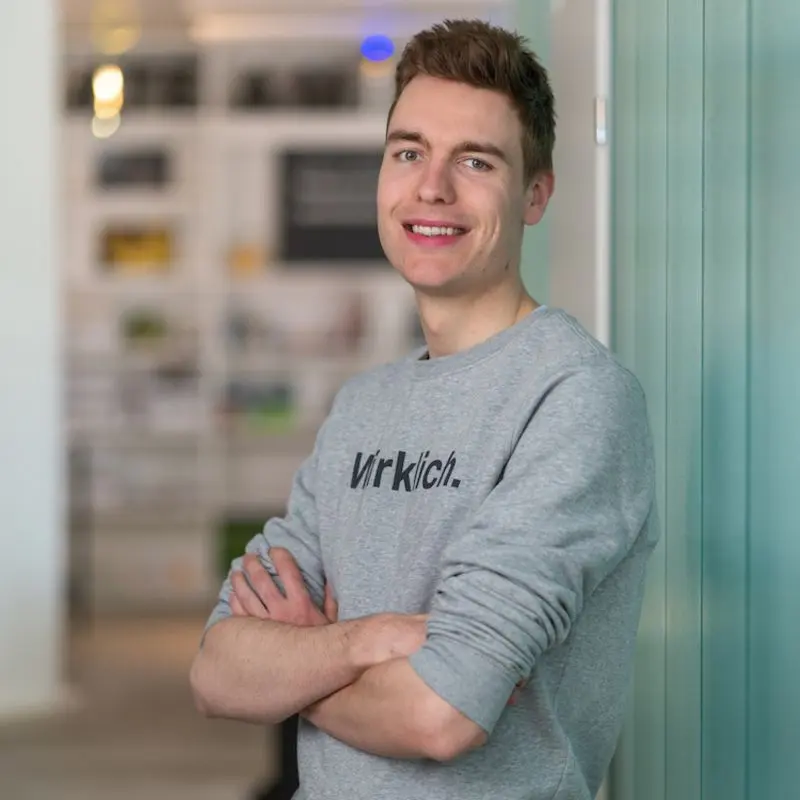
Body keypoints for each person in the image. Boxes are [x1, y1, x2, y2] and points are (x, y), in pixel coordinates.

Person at [190, 18, 659, 800]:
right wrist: (367, 641)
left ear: (535, 194)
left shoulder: (576, 398)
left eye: (475, 161)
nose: (431, 188)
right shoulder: (361, 409)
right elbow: (216, 670)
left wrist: (300, 666)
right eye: (408, 152)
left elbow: (441, 715)